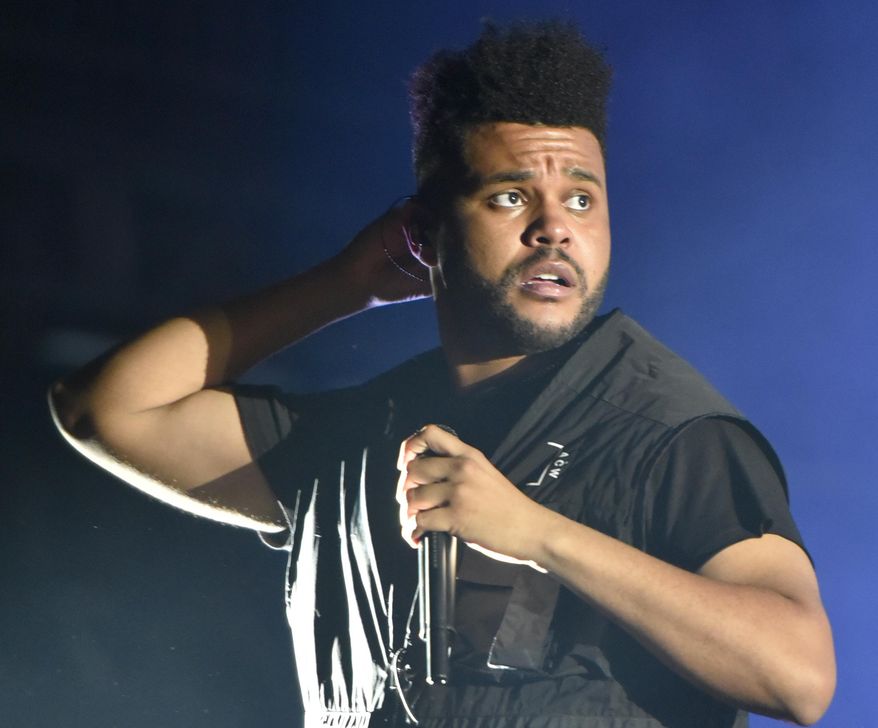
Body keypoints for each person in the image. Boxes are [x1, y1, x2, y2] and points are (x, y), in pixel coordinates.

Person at [49, 21, 835, 728]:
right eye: (509, 196)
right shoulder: (361, 441)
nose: (554, 227)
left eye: (583, 199)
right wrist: (349, 281)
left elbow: (798, 674)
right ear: (425, 233)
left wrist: (539, 535)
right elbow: (110, 409)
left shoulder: (667, 430)